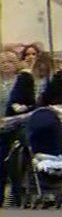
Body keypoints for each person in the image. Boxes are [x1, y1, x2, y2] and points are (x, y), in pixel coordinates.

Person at [0, 51, 20, 206]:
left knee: (15, 162)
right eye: (3, 62)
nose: (6, 64)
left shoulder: (22, 81)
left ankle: (16, 194)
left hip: (16, 126)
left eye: (10, 61)